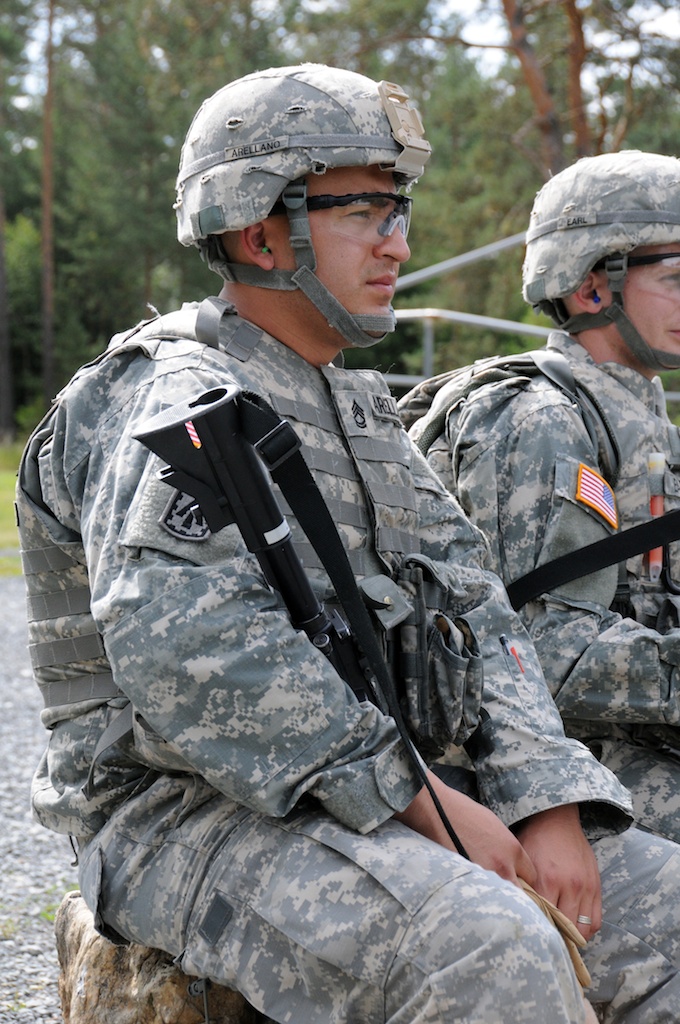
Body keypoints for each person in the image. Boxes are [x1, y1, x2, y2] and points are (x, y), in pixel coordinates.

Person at [14, 69, 680, 1023]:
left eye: (399, 209)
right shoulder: (173, 401)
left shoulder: (357, 412)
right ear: (259, 230)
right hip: (185, 813)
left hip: (386, 785)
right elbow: (194, 654)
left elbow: (483, 616)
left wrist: (548, 802)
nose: (399, 242)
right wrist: (423, 800)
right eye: (366, 210)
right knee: (485, 951)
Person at [401, 149, 680, 849]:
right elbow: (539, 652)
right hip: (534, 763)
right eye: (676, 279)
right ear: (593, 290)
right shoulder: (537, 420)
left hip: (619, 736)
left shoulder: (637, 410)